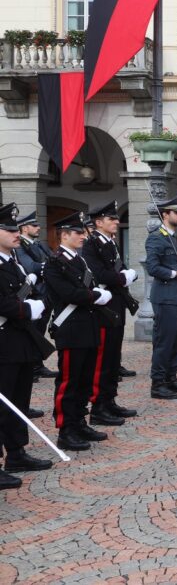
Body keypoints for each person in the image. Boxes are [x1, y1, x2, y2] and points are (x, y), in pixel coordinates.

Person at [45, 211, 113, 449]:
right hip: (71, 330)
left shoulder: (79, 259)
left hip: (89, 327)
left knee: (84, 380)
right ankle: (66, 429)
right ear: (64, 235)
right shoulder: (54, 263)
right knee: (69, 382)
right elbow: (69, 294)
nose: (83, 236)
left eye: (83, 232)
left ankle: (79, 422)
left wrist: (95, 295)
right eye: (77, 233)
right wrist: (97, 295)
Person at [0, 202, 52, 488]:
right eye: (8, 229)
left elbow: (28, 291)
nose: (15, 233)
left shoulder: (14, 262)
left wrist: (35, 304)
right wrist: (27, 309)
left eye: (15, 229)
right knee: (2, 402)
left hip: (21, 340)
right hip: (4, 341)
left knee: (19, 402)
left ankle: (17, 453)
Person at [81, 201, 138, 425]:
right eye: (111, 219)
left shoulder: (110, 242)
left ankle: (109, 400)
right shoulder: (92, 244)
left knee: (114, 358)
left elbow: (116, 267)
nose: (116, 222)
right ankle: (98, 406)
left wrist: (126, 273)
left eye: (116, 218)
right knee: (102, 359)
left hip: (116, 304)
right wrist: (123, 277)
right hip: (104, 308)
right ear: (98, 222)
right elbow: (99, 274)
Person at [144, 197, 177, 401]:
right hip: (165, 297)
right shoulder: (157, 237)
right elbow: (153, 267)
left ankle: (170, 378)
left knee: (175, 342)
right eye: (176, 212)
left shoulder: (172, 237)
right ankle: (158, 383)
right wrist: (176, 274)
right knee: (164, 342)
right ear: (165, 214)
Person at [14, 211, 59, 382]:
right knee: (32, 330)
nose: (38, 227)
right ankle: (32, 366)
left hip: (46, 292)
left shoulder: (39, 244)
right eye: (34, 225)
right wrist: (48, 267)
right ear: (24, 228)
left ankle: (37, 364)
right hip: (34, 292)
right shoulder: (20, 246)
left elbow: (53, 259)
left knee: (40, 330)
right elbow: (30, 266)